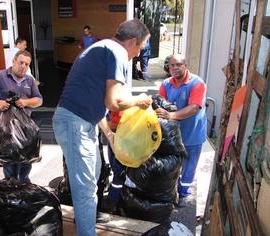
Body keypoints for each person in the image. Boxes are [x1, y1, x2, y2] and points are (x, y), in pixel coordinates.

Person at [52, 19, 151, 236]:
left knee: (93, 177)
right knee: (86, 189)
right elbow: (113, 102)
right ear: (133, 41)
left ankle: (84, 225)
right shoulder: (116, 52)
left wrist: (109, 134)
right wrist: (140, 100)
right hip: (74, 123)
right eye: (140, 48)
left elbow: (96, 102)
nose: (138, 54)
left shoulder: (103, 47)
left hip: (80, 122)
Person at [0, 50, 43, 183]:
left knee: (25, 166)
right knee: (10, 170)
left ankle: (24, 186)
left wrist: (25, 102)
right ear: (13, 61)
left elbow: (39, 100)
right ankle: (11, 188)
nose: (23, 66)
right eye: (21, 62)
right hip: (6, 132)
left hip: (25, 131)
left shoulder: (30, 80)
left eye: (27, 64)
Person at [155, 54, 207, 207]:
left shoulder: (197, 84)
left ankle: (184, 194)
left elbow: (194, 108)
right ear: (168, 67)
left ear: (185, 66)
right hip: (172, 135)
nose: (175, 68)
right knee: (172, 164)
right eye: (172, 65)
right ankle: (171, 193)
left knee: (189, 166)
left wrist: (171, 115)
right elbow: (158, 103)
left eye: (179, 65)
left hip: (193, 134)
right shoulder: (166, 84)